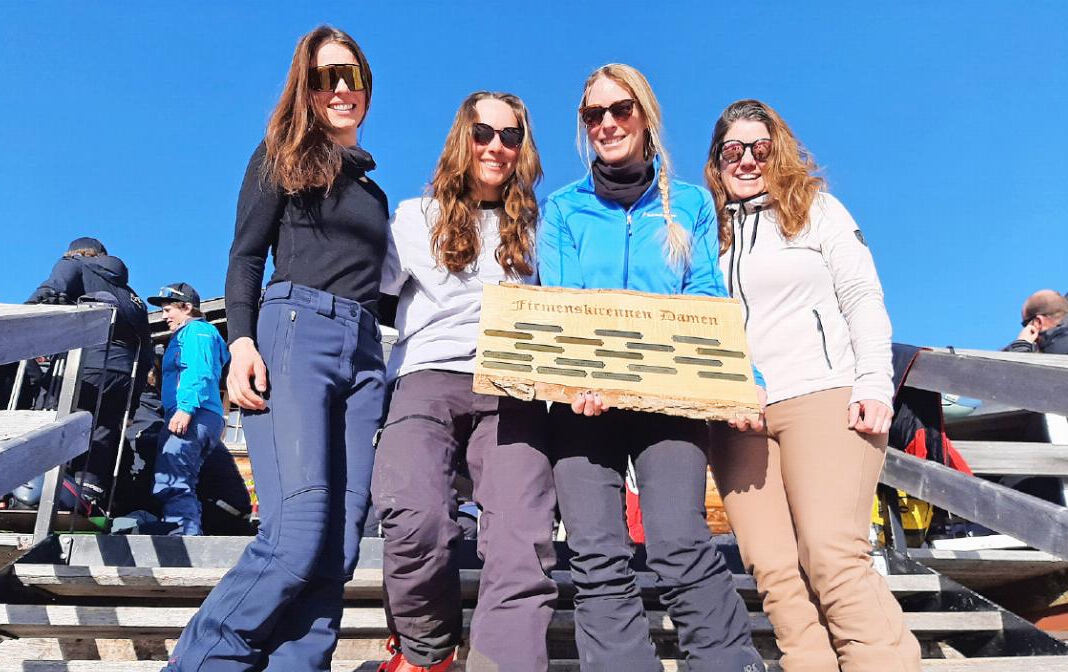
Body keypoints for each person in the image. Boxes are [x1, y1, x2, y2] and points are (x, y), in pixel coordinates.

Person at [163, 25, 388, 671]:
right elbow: (245, 257)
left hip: (365, 354)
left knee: (339, 547)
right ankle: (202, 661)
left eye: (351, 75)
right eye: (324, 77)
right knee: (297, 533)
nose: (340, 89)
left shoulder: (374, 193)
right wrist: (240, 342)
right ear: (305, 88)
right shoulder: (281, 155)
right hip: (297, 332)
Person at [537, 64, 763, 672]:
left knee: (680, 539)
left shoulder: (689, 203)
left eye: (621, 110)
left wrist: (744, 380)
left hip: (670, 395)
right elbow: (561, 299)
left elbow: (708, 296)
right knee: (596, 552)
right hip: (585, 403)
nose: (608, 124)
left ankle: (726, 662)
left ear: (645, 116)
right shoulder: (562, 209)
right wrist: (575, 376)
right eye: (594, 115)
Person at [704, 99, 921, 671]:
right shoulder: (707, 234)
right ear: (716, 161)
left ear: (779, 151)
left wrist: (874, 382)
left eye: (760, 148)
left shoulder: (817, 211)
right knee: (774, 570)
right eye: (732, 150)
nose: (746, 160)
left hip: (821, 394)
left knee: (830, 553)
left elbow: (862, 296)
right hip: (740, 414)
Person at [373, 91, 556, 672]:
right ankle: (426, 652)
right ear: (462, 139)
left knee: (522, 537)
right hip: (427, 375)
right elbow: (370, 298)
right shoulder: (412, 218)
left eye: (510, 136)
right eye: (483, 133)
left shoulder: (542, 229)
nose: (496, 146)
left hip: (512, 386)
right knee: (415, 517)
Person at [27, 236, 153, 504]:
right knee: (102, 428)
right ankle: (88, 493)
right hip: (124, 373)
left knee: (54, 418)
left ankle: (42, 487)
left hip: (85, 362)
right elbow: (147, 351)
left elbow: (47, 293)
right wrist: (135, 395)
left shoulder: (73, 264)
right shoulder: (133, 297)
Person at [148, 283, 229, 535]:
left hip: (193, 413)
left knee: (172, 478)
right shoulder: (199, 333)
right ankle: (187, 532)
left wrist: (186, 408)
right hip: (203, 415)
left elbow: (198, 370)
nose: (164, 316)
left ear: (187, 307)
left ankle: (183, 537)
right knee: (184, 478)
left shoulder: (196, 331)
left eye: (168, 309)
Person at [1006, 289, 1068, 354]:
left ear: (1038, 322)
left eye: (1025, 324)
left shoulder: (1056, 348)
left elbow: (1020, 361)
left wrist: (1021, 346)